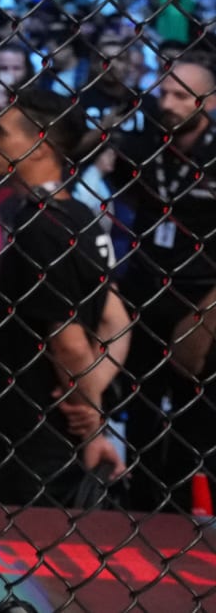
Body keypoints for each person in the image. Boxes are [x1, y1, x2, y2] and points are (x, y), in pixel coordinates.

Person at [0, 90, 132, 508]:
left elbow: (70, 342)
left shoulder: (40, 226)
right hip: (56, 421)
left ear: (40, 145)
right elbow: (116, 321)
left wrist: (91, 422)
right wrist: (91, 396)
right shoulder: (81, 215)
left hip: (33, 433)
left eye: (1, 132)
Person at [115, 53, 216, 510]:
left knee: (197, 413)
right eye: (164, 93)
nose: (168, 103)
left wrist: (207, 312)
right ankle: (140, 502)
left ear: (207, 102)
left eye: (181, 95)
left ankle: (186, 509)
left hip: (201, 295)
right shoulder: (142, 145)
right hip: (145, 289)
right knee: (142, 408)